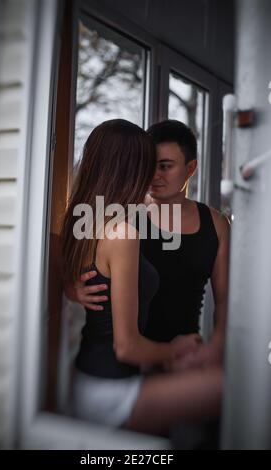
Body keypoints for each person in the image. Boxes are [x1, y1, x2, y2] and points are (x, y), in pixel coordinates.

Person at [61, 119, 222, 436]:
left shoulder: (82, 219)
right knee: (239, 387)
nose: (153, 177)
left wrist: (70, 287)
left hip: (90, 376)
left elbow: (69, 270)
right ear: (129, 170)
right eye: (147, 166)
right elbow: (126, 348)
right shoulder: (123, 232)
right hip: (110, 389)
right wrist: (178, 349)